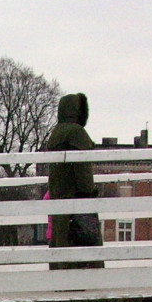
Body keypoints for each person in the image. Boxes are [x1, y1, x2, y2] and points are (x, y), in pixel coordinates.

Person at [46, 92, 103, 269]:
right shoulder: (76, 133)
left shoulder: (56, 133)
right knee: (83, 249)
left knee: (60, 248)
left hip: (59, 205)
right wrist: (90, 192)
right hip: (75, 207)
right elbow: (84, 177)